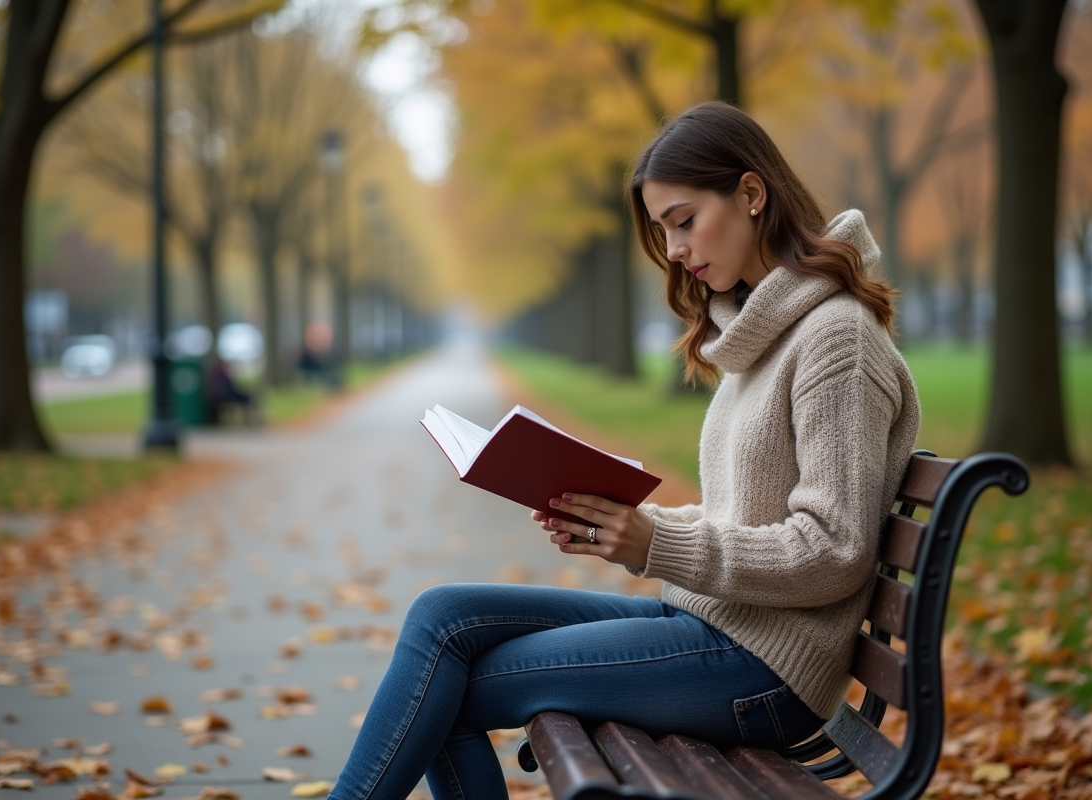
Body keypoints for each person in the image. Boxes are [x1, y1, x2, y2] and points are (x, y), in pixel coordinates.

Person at [325, 101, 920, 800]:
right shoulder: (766, 336)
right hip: (714, 625)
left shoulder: (834, 339)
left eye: (683, 221)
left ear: (751, 195)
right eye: (664, 230)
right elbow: (750, 514)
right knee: (442, 616)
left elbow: (833, 549)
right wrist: (631, 526)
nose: (672, 251)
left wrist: (655, 545)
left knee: (442, 686)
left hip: (764, 669)